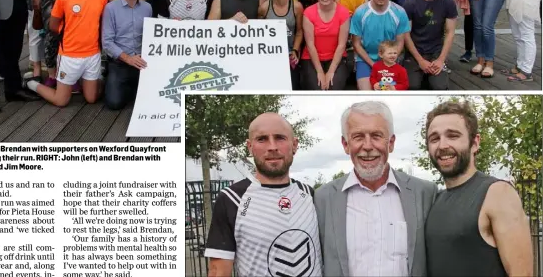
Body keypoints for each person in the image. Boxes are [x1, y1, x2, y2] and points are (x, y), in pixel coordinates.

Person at [315, 101, 438, 277]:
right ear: (345, 144)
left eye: (376, 136)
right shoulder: (323, 198)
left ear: (391, 143)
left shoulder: (425, 193)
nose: (367, 146)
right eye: (358, 137)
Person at [205, 112, 323, 277]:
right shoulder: (231, 199)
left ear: (295, 144)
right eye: (262, 139)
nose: (272, 147)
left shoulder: (310, 194)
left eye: (280, 138)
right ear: (250, 146)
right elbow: (218, 271)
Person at [424, 100, 533, 277]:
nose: (442, 145)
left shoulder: (497, 193)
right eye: (434, 138)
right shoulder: (435, 200)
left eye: (452, 135)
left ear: (475, 143)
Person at [25, 0, 107, 107]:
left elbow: (101, 24)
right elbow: (53, 26)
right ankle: (32, 85)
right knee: (61, 101)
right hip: (69, 55)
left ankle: (100, 77)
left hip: (92, 54)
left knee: (91, 98)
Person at [101, 0, 152, 110]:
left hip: (142, 62)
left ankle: (131, 87)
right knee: (114, 103)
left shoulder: (147, 8)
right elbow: (107, 42)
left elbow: (152, 33)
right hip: (120, 62)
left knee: (150, 100)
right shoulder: (110, 8)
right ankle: (116, 81)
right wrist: (128, 58)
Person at [403, 0, 457, 90]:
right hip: (415, 52)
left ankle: (435, 73)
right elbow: (406, 34)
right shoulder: (410, 2)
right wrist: (420, 60)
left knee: (440, 87)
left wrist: (441, 59)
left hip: (436, 52)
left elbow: (450, 32)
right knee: (412, 86)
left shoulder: (448, 1)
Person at [351, 0, 410, 90]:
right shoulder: (360, 12)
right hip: (366, 59)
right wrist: (376, 66)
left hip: (389, 59)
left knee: (390, 92)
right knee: (366, 92)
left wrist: (387, 61)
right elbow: (356, 44)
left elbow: (400, 42)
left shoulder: (400, 12)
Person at [301, 0, 350, 90]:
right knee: (318, 87)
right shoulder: (308, 12)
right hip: (312, 58)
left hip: (335, 58)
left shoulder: (343, 12)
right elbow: (310, 44)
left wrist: (331, 71)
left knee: (334, 86)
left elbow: (342, 44)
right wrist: (320, 72)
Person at [259, 0, 304, 89]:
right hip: (271, 56)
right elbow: (258, 33)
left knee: (292, 87)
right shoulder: (264, 8)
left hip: (289, 55)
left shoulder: (296, 7)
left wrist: (295, 50)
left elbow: (299, 31)